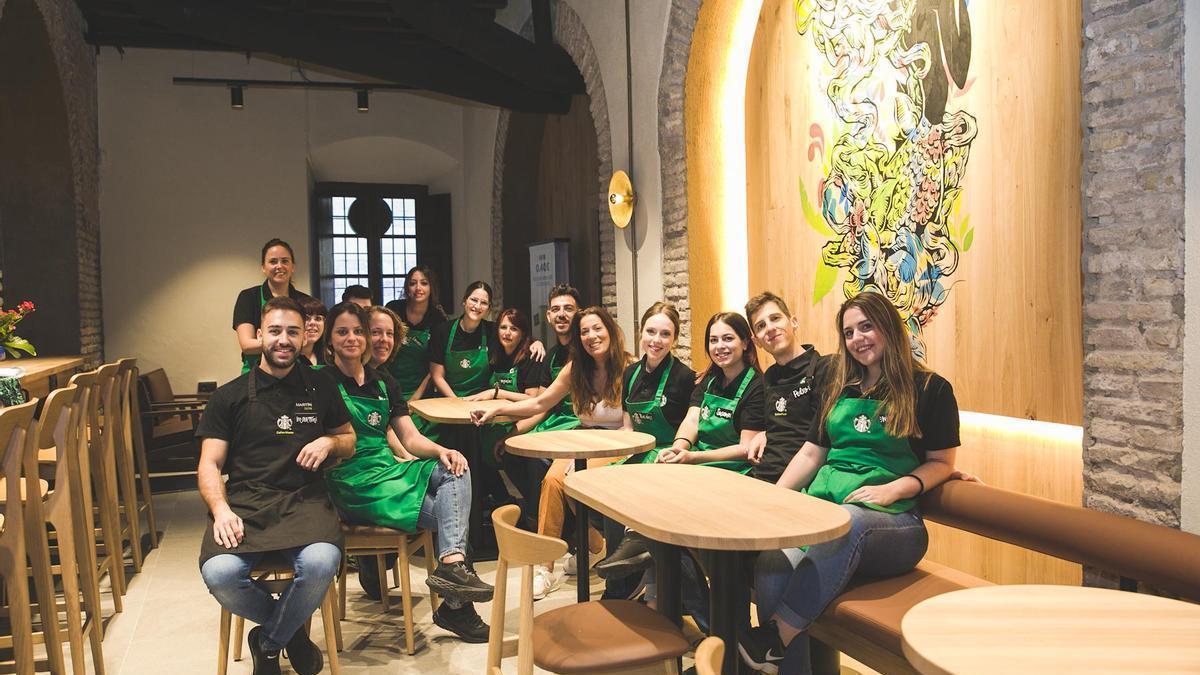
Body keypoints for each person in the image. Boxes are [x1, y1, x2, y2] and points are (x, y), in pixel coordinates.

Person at [738, 291, 961, 674]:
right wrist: (774, 501)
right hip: (825, 515)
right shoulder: (840, 387)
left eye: (867, 326)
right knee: (774, 562)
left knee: (849, 522)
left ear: (888, 326)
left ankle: (774, 636)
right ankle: (783, 662)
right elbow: (812, 453)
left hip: (894, 523)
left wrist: (896, 488)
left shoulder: (930, 388)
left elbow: (941, 463)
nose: (858, 338)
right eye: (849, 332)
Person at [198, 296, 355, 675]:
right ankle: (291, 635)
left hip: (306, 501)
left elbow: (349, 439)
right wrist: (221, 510)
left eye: (292, 332)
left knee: (322, 563)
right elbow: (209, 463)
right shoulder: (229, 396)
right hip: (245, 505)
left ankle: (267, 642)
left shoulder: (321, 386)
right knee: (220, 574)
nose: (284, 340)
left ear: (305, 338)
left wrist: (330, 442)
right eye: (275, 331)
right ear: (260, 336)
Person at [319, 302, 494, 644]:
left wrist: (443, 450)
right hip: (351, 481)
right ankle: (457, 608)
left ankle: (452, 567)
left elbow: (410, 438)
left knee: (456, 470)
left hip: (387, 470)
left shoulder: (383, 381)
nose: (354, 338)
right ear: (330, 340)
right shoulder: (321, 381)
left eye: (358, 331)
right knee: (452, 516)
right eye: (344, 331)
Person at [472, 306, 629, 599]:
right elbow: (538, 404)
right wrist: (499, 409)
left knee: (575, 485)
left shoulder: (628, 367)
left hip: (618, 442)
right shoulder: (576, 369)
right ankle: (545, 569)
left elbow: (633, 425)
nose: (591, 336)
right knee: (553, 481)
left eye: (597, 329)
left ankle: (596, 547)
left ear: (610, 330)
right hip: (583, 440)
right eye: (584, 332)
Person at [497, 284, 580, 533]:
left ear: (579, 313)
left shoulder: (584, 349)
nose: (561, 314)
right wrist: (512, 435)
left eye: (568, 309)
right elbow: (541, 406)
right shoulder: (551, 355)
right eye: (556, 309)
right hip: (551, 423)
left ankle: (545, 527)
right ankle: (544, 517)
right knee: (510, 453)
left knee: (537, 461)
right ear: (548, 316)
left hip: (577, 426)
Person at [744, 292, 829, 484]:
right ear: (756, 341)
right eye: (761, 326)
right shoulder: (768, 378)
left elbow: (820, 444)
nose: (770, 328)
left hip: (801, 482)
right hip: (761, 475)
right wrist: (763, 433)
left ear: (794, 322)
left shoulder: (825, 368)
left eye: (775, 318)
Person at [232, 238, 313, 374]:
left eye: (285, 261)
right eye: (273, 261)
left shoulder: (305, 301)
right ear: (263, 267)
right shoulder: (248, 297)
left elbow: (310, 343)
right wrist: (290, 344)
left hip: (297, 372)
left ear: (293, 267)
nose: (279, 266)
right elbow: (247, 345)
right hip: (256, 373)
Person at [384, 266, 447, 400]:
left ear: (431, 288)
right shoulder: (393, 309)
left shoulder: (438, 318)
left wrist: (414, 400)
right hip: (387, 386)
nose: (418, 288)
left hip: (421, 392)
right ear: (407, 288)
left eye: (424, 283)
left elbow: (434, 368)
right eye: (413, 283)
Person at [298, 296, 327, 368]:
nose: (312, 323)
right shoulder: (288, 359)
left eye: (318, 318)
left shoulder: (328, 358)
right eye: (306, 318)